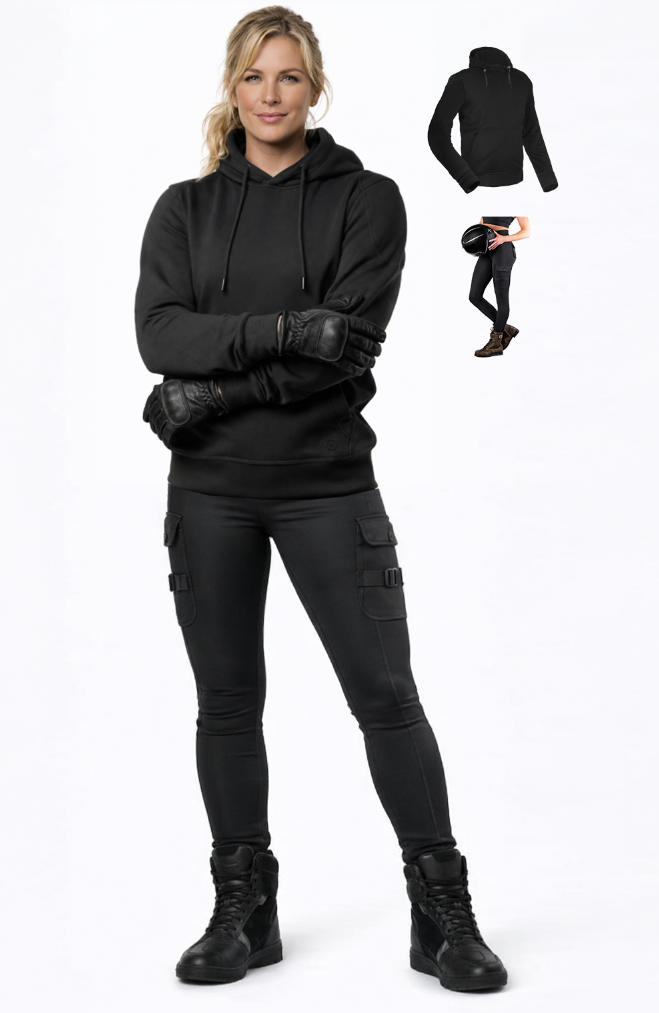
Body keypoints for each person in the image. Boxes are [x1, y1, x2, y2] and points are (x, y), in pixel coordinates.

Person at [135, 5, 508, 993]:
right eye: (255, 77)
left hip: (327, 486)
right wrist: (282, 328)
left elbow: (343, 353)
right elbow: (160, 335)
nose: (271, 95)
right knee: (226, 703)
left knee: (385, 697)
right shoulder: (182, 210)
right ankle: (244, 909)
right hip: (209, 492)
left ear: (316, 88)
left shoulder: (367, 200)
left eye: (289, 77)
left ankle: (442, 913)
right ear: (233, 87)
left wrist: (209, 393)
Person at [469, 217, 531, 358]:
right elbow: (482, 223)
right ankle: (506, 328)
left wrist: (504, 239)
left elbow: (526, 231)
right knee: (474, 296)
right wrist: (472, 240)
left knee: (502, 300)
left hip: (502, 250)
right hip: (486, 248)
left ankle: (496, 343)